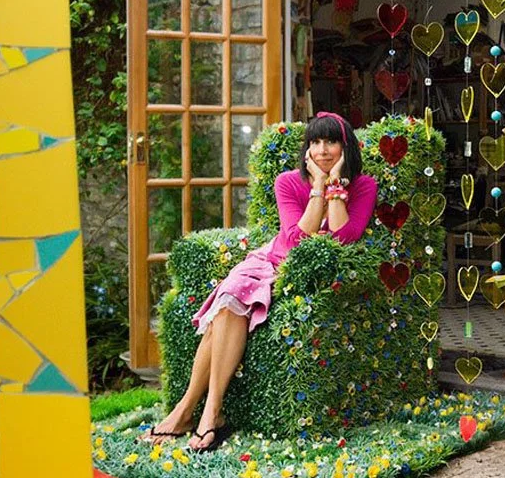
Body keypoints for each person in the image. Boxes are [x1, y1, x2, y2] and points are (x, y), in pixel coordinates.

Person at [143, 112, 378, 452]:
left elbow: (343, 237)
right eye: (315, 142)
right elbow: (295, 239)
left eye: (331, 142)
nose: (322, 150)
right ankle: (205, 413)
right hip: (269, 260)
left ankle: (189, 412)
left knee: (225, 313)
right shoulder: (287, 182)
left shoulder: (364, 185)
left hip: (296, 270)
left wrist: (334, 185)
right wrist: (316, 186)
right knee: (229, 301)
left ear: (346, 147)